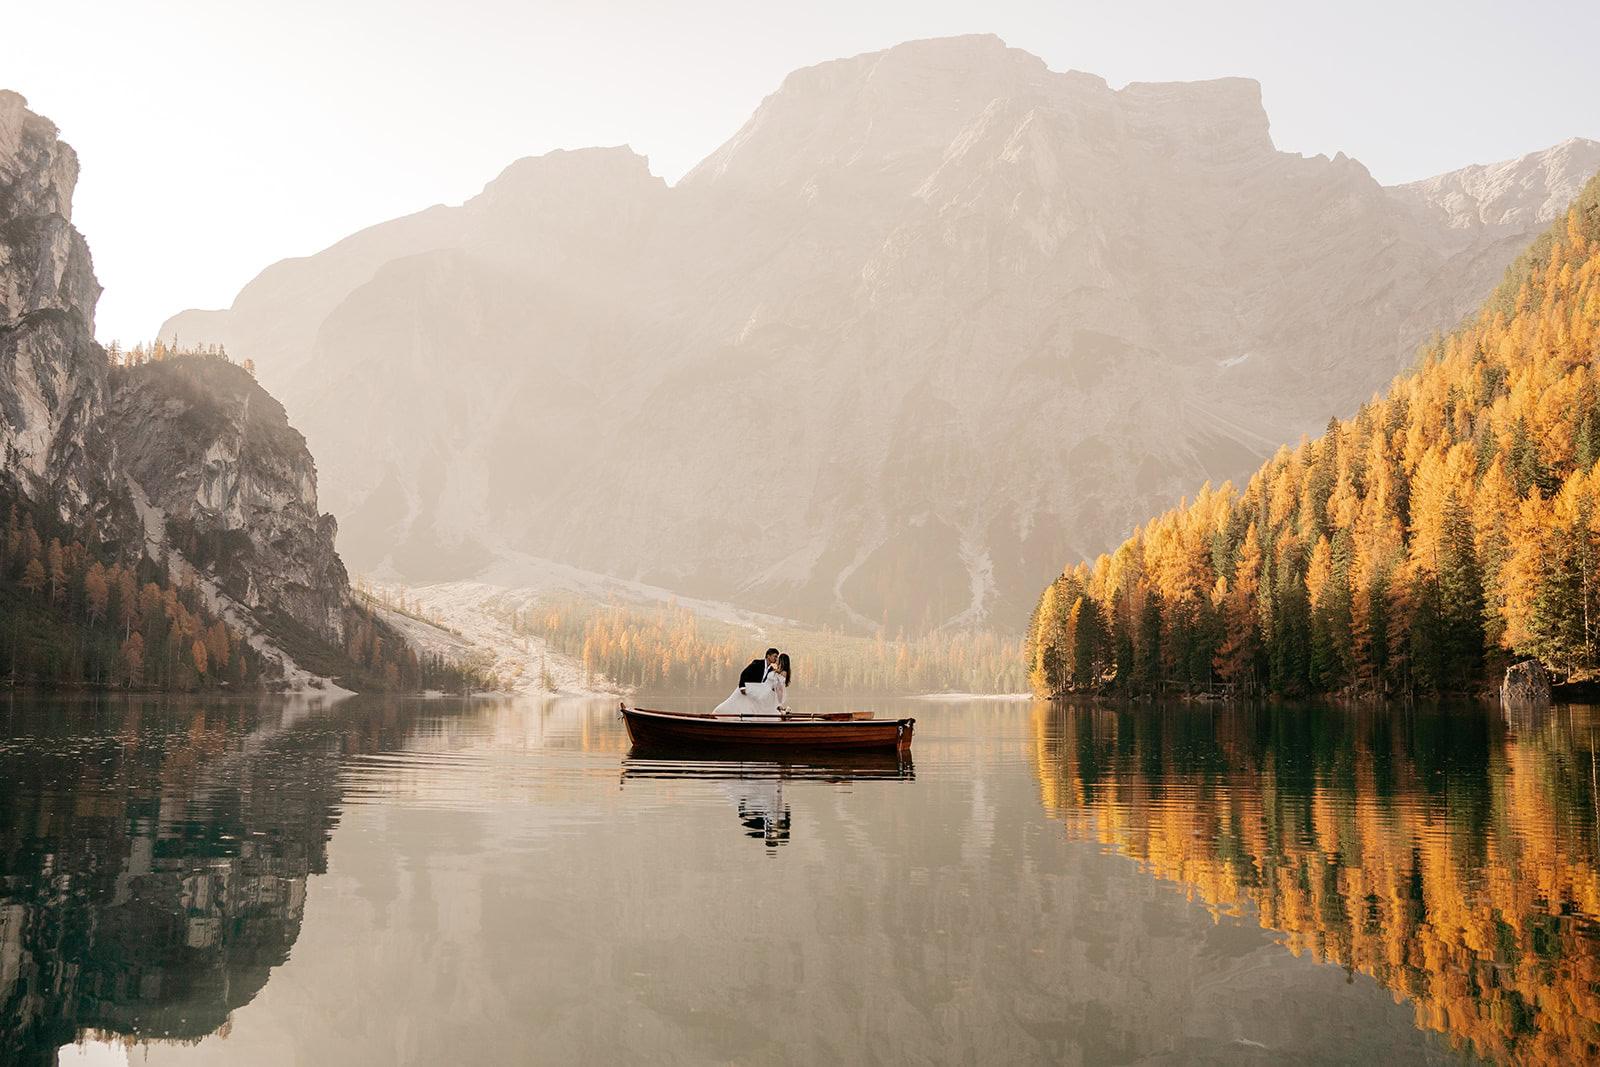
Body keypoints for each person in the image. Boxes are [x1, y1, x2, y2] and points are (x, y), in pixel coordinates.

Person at [715, 648, 781, 716]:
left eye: (777, 657)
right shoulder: (757, 663)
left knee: (750, 708)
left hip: (756, 693)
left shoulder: (771, 669)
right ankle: (719, 714)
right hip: (746, 688)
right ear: (768, 656)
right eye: (775, 656)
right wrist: (742, 687)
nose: (776, 658)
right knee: (733, 703)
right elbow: (744, 673)